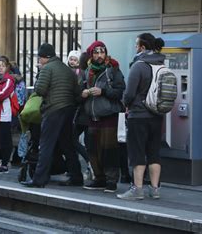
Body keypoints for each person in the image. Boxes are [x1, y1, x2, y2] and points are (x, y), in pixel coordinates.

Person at [21, 43, 83, 188]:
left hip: (53, 109)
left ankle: (39, 179)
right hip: (68, 110)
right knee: (68, 145)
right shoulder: (67, 70)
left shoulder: (46, 68)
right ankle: (76, 176)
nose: (39, 61)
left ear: (43, 57)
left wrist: (39, 74)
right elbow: (77, 92)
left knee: (46, 145)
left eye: (39, 58)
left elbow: (40, 90)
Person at [117, 33, 166, 200]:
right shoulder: (161, 64)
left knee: (137, 152)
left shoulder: (139, 66)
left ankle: (137, 189)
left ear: (142, 47)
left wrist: (125, 102)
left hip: (138, 115)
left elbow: (129, 93)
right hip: (157, 115)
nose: (135, 48)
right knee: (154, 152)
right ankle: (155, 189)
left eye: (137, 45)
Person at [81, 41, 126, 193]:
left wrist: (103, 91)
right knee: (93, 149)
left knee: (109, 150)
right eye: (96, 52)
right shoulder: (88, 70)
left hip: (109, 115)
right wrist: (84, 92)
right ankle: (98, 178)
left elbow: (120, 92)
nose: (99, 55)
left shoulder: (113, 69)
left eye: (102, 52)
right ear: (91, 54)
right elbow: (81, 87)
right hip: (92, 116)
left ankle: (111, 181)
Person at [68, 50, 93, 181]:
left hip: (82, 113)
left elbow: (78, 94)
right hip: (87, 113)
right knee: (85, 142)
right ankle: (90, 166)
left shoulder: (82, 74)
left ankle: (90, 163)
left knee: (71, 139)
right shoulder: (88, 73)